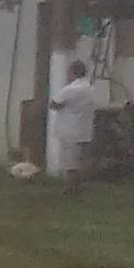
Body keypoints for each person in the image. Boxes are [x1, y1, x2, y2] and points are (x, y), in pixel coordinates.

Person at [45, 54, 98, 182]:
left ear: (73, 72)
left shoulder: (70, 89)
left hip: (70, 130)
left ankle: (71, 187)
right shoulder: (89, 87)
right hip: (84, 128)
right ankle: (80, 183)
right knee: (80, 159)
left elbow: (54, 104)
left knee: (70, 162)